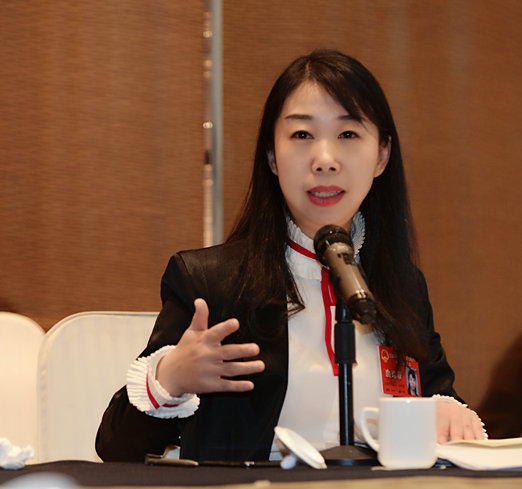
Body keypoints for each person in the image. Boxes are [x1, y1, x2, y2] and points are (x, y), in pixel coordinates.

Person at [96, 49, 485, 463]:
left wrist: (448, 412)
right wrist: (171, 378)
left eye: (348, 134)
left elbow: (439, 396)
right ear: (272, 156)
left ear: (382, 155)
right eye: (302, 135)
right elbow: (117, 448)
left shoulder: (402, 285)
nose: (325, 160)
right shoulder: (211, 283)